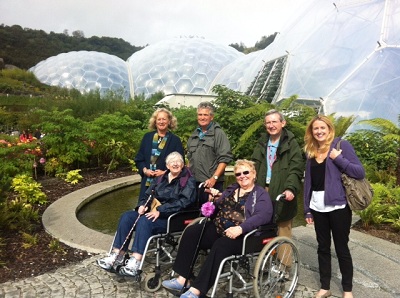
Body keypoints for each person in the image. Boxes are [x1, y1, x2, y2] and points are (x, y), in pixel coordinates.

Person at [162, 159, 273, 298]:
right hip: (219, 228)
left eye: (246, 172)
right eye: (238, 174)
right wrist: (212, 202)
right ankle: (183, 278)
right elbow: (216, 209)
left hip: (242, 235)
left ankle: (197, 291)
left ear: (254, 174)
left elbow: (263, 216)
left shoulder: (261, 194)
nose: (242, 176)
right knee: (192, 232)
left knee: (220, 245)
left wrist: (240, 228)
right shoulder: (232, 189)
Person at [97, 151, 196, 276]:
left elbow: (185, 202)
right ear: (167, 165)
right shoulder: (161, 178)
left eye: (178, 162)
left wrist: (160, 211)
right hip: (154, 212)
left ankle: (135, 262)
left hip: (172, 218)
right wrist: (142, 205)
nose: (175, 164)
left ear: (182, 165)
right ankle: (117, 255)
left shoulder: (188, 180)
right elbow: (148, 194)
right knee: (127, 217)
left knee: (145, 221)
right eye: (172, 162)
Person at [303, 115, 364, 298]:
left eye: (323, 128)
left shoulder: (341, 146)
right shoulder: (311, 151)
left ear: (329, 129)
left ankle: (347, 290)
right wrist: (306, 208)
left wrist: (339, 159)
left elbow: (359, 172)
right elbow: (308, 183)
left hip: (338, 206)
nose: (319, 131)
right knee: (322, 247)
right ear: (311, 132)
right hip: (317, 206)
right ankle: (325, 286)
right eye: (316, 129)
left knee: (341, 248)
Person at [251, 109, 304, 240]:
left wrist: (290, 188)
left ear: (283, 123)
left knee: (283, 230)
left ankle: (284, 260)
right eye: (268, 122)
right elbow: (253, 165)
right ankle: (266, 259)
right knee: (262, 229)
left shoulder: (291, 144)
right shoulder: (262, 142)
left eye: (274, 121)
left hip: (282, 189)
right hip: (263, 188)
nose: (271, 125)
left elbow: (296, 168)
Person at [187, 101, 233, 205]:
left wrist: (214, 178)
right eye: (200, 115)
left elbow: (224, 158)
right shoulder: (194, 134)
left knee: (210, 215)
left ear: (211, 117)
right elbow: (190, 159)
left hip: (212, 184)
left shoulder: (218, 134)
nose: (202, 117)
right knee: (196, 215)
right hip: (195, 184)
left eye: (205, 115)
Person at [135, 108, 185, 200]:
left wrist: (164, 173)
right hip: (147, 183)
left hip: (165, 184)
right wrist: (145, 170)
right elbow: (139, 159)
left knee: (159, 211)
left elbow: (181, 164)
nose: (161, 122)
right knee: (143, 209)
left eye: (164, 119)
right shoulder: (147, 137)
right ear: (155, 121)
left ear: (169, 121)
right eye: (159, 119)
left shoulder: (175, 140)